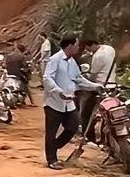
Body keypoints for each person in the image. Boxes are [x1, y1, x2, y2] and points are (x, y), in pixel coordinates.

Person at [43, 34, 103, 169]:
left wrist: (95, 86)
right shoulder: (55, 59)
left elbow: (79, 79)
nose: (78, 47)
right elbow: (47, 78)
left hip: (69, 103)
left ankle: (54, 146)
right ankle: (51, 159)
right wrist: (58, 91)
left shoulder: (72, 62)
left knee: (73, 127)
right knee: (51, 132)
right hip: (54, 103)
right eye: (76, 45)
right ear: (69, 45)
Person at [78, 37, 117, 138]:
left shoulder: (97, 56)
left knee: (85, 111)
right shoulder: (110, 49)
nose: (89, 51)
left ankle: (87, 135)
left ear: (90, 45)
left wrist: (84, 77)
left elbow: (92, 76)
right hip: (112, 85)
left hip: (100, 87)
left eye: (88, 49)